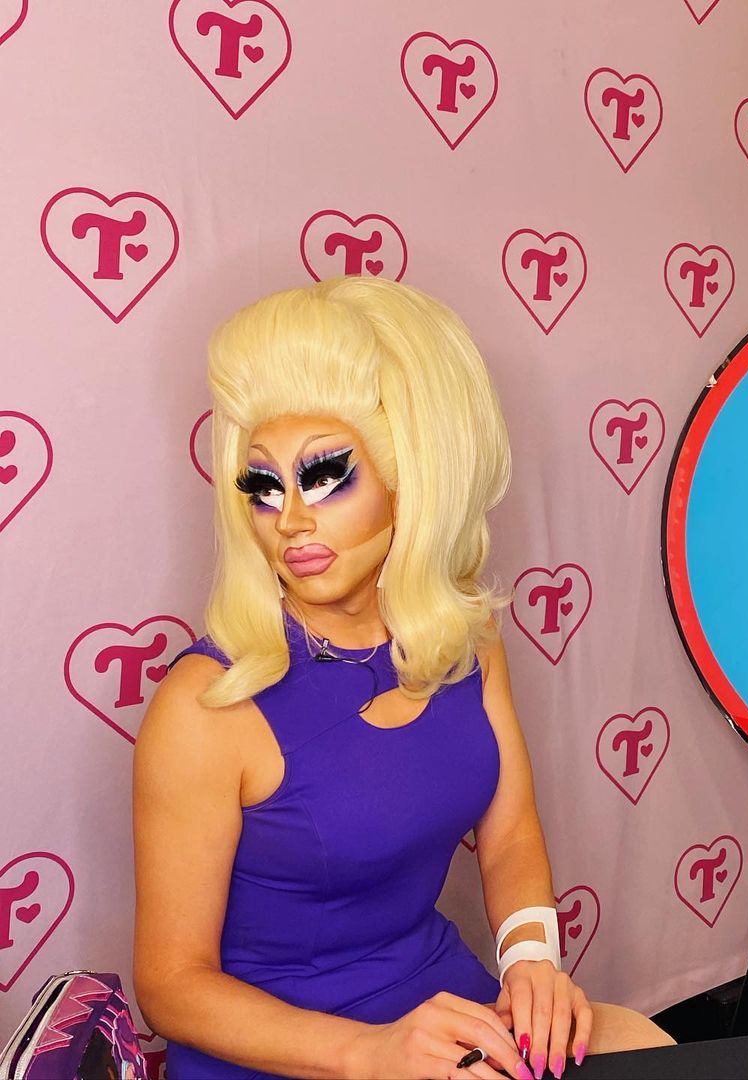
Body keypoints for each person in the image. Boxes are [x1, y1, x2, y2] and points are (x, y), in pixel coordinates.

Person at [132, 276, 675, 1079]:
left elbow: (509, 832)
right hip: (279, 1049)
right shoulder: (206, 706)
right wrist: (369, 1053)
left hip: (434, 999)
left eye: (326, 477)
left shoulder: (465, 639)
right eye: (263, 486)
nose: (291, 520)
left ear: (411, 476)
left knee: (643, 1045)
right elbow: (171, 986)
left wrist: (531, 960)